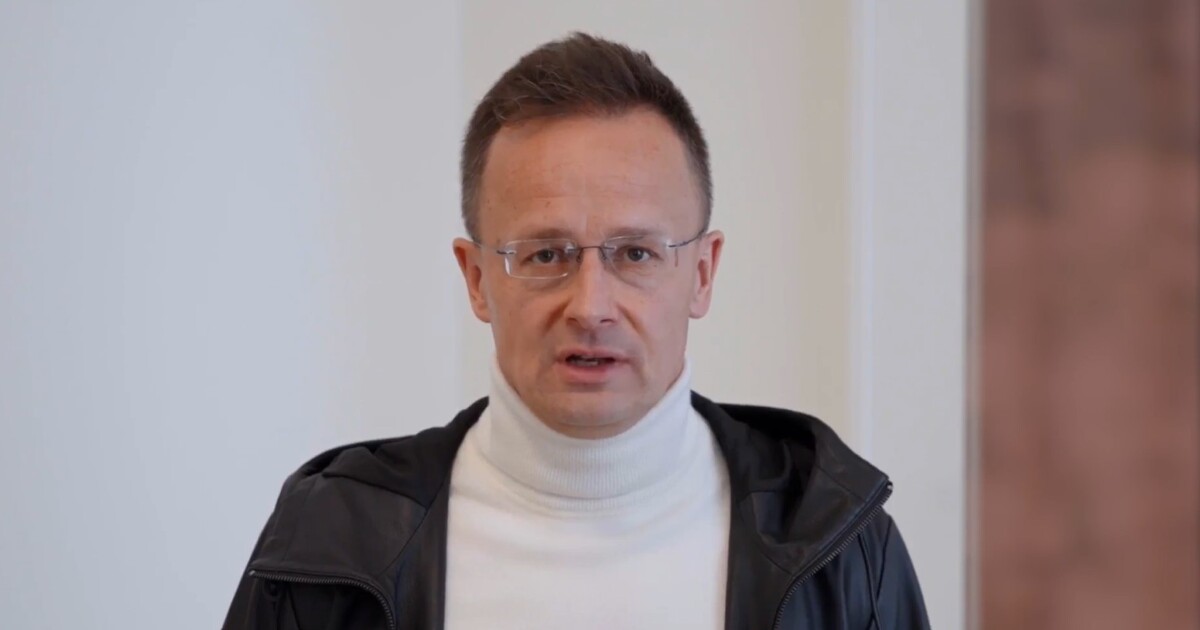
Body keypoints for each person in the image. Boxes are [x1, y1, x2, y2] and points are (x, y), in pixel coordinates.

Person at [223, 32, 929, 630]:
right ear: (476, 279)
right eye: (545, 255)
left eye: (636, 254)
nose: (591, 306)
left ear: (703, 273)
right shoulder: (328, 544)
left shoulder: (844, 552)